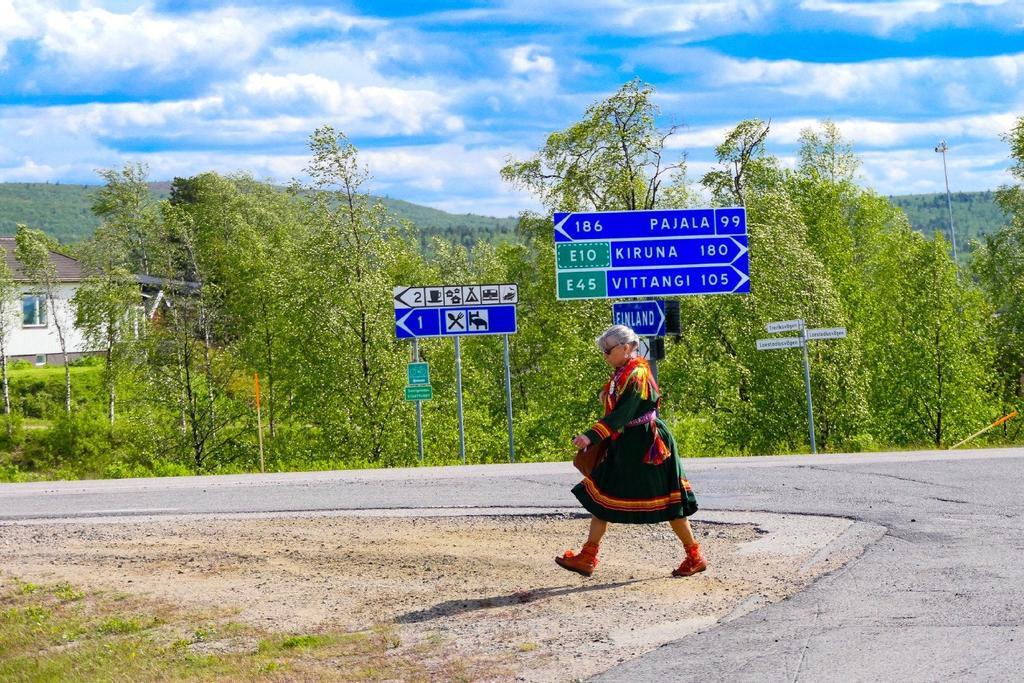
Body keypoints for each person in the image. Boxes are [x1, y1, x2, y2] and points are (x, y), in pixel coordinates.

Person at [556, 324, 706, 578]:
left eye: (608, 350)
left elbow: (623, 414)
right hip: (626, 444)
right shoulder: (623, 371)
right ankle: (588, 557)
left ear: (626, 348)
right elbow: (619, 408)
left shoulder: (636, 374)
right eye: (603, 350)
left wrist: (591, 436)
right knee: (600, 494)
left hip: (649, 445)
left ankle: (695, 556)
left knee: (672, 502)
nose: (604, 355)